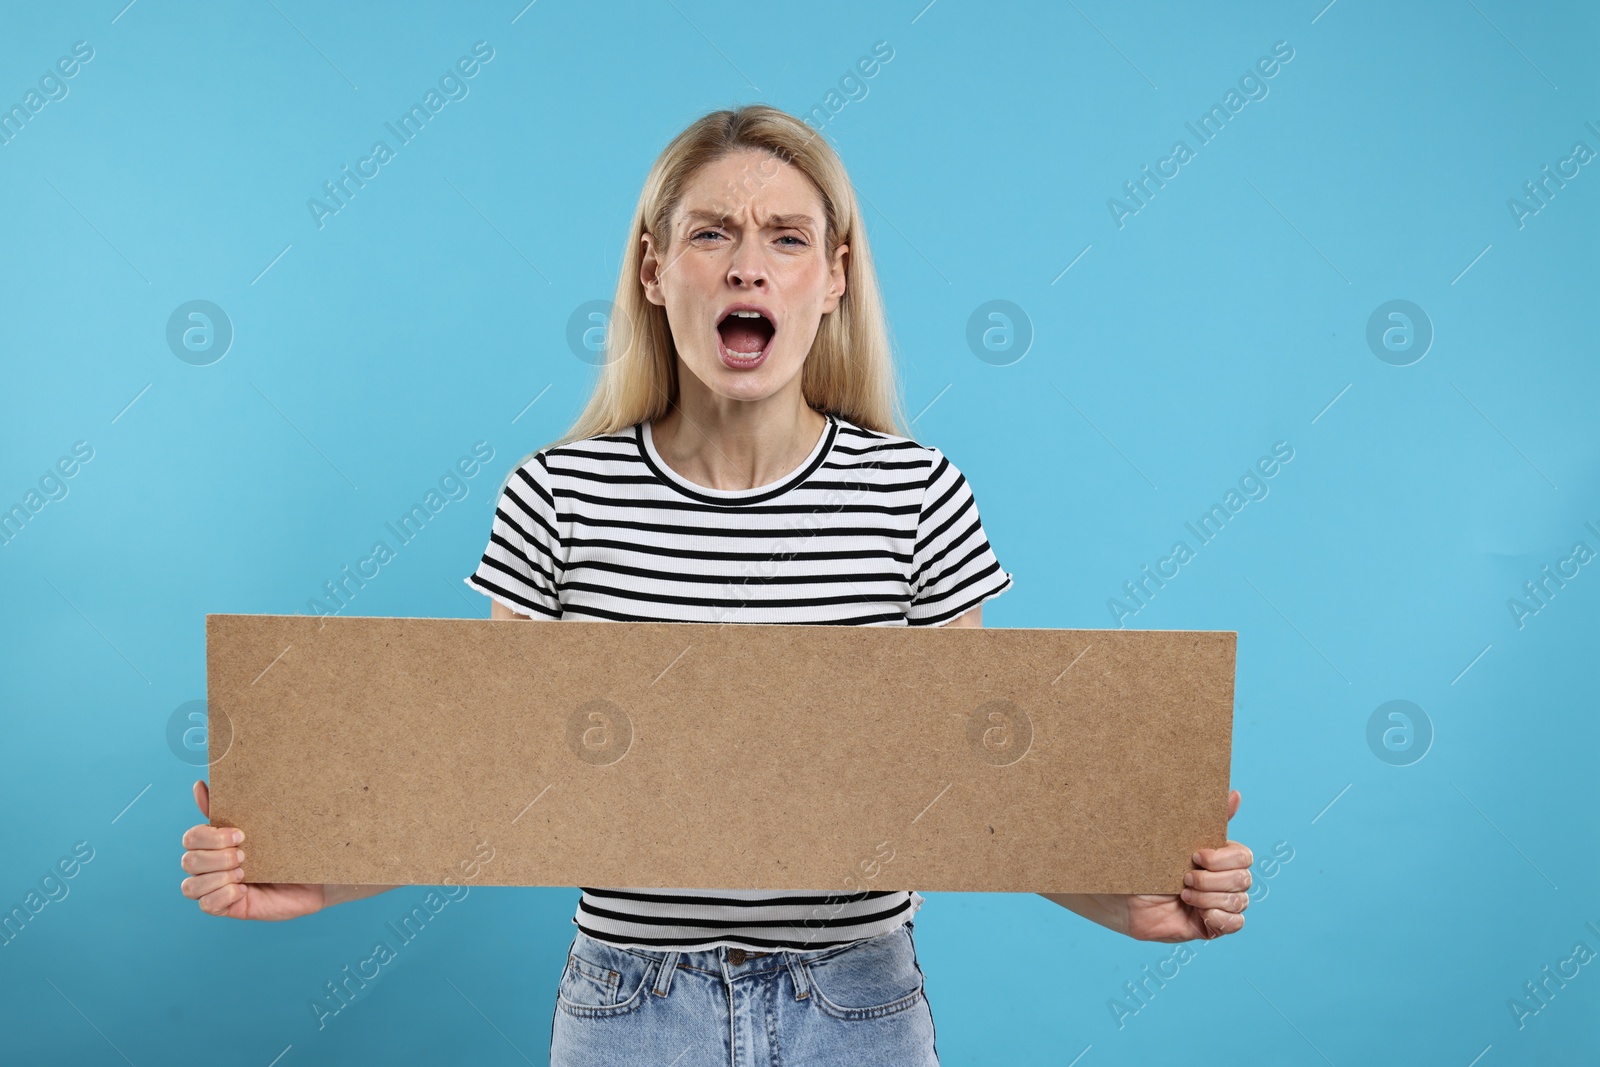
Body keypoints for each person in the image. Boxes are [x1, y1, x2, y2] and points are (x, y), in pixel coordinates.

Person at [180, 104, 1253, 1065]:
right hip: (628, 1009)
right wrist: (319, 869)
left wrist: (1133, 900)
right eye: (711, 233)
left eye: (786, 238)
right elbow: (494, 785)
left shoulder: (917, 494)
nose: (749, 267)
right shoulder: (556, 494)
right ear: (653, 269)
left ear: (833, 277)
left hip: (860, 1008)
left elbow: (968, 795)